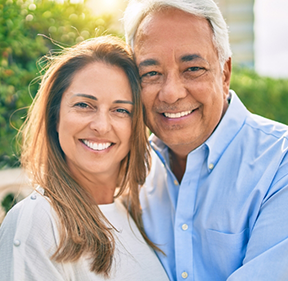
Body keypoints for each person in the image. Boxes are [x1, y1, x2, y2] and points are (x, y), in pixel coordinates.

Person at [123, 0, 288, 280]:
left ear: (224, 74)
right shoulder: (130, 172)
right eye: (151, 73)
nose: (171, 93)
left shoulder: (280, 163)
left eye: (193, 68)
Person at [0, 35, 169, 281]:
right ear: (55, 116)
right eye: (84, 105)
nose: (101, 125)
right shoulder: (38, 222)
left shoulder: (134, 214)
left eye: (121, 110)